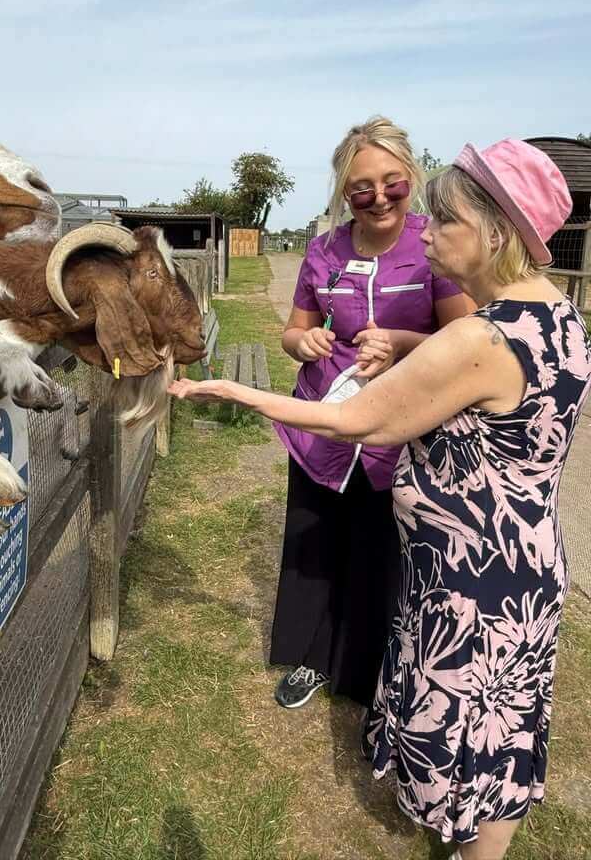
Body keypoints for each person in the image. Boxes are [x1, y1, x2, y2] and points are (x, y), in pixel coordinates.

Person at [169, 138, 591, 859]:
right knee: (504, 737)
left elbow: (355, 420)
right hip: (522, 565)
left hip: (472, 585)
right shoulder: (558, 317)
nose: (431, 233)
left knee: (464, 735)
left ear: (494, 233)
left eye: (447, 220)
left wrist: (230, 388)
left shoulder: (484, 338)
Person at [269, 116, 472, 711]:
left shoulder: (432, 243)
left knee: (379, 547)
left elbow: (464, 337)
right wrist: (301, 344)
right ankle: (310, 657)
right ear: (343, 193)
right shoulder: (322, 250)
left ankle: (365, 670)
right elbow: (294, 330)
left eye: (392, 183)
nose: (377, 197)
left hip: (399, 429)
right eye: (361, 188)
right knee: (316, 541)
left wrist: (404, 345)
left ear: (411, 180)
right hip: (325, 424)